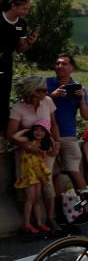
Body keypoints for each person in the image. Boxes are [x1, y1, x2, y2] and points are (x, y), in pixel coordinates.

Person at [6, 75, 60, 232]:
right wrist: (27, 145)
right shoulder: (18, 108)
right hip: (27, 155)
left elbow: (54, 125)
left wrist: (56, 142)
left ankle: (50, 218)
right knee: (28, 188)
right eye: (41, 90)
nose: (46, 92)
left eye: (45, 89)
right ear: (30, 92)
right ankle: (29, 223)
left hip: (46, 150)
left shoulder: (48, 102)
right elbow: (10, 134)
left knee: (48, 183)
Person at [46, 53, 88, 195]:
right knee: (53, 175)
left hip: (67, 135)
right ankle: (59, 212)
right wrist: (52, 96)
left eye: (64, 64)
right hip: (46, 135)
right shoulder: (46, 84)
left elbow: (86, 116)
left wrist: (82, 100)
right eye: (58, 63)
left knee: (74, 172)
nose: (60, 66)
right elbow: (35, 103)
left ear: (72, 68)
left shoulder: (79, 89)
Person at [1, 0, 38, 132]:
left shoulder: (21, 24)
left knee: (3, 98)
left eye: (28, 9)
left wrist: (30, 42)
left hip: (6, 63)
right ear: (13, 6)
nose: (26, 12)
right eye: (24, 9)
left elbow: (20, 49)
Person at [11, 121, 54, 235]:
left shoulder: (45, 145)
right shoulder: (28, 141)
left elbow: (53, 149)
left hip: (37, 174)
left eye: (42, 130)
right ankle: (26, 224)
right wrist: (27, 130)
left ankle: (39, 223)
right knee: (30, 199)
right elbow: (15, 137)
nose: (39, 132)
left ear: (46, 133)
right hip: (28, 174)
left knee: (37, 199)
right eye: (36, 129)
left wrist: (50, 136)